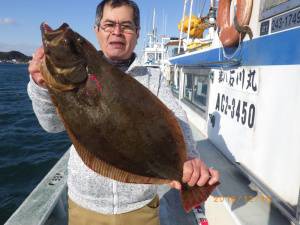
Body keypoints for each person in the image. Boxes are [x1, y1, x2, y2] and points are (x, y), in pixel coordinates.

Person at [28, 0, 219, 224]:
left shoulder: (153, 78)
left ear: (137, 33)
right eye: (109, 24)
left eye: (126, 26)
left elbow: (177, 119)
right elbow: (51, 126)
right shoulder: (71, 78)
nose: (117, 32)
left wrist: (189, 160)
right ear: (96, 31)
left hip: (139, 206)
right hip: (85, 203)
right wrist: (41, 87)